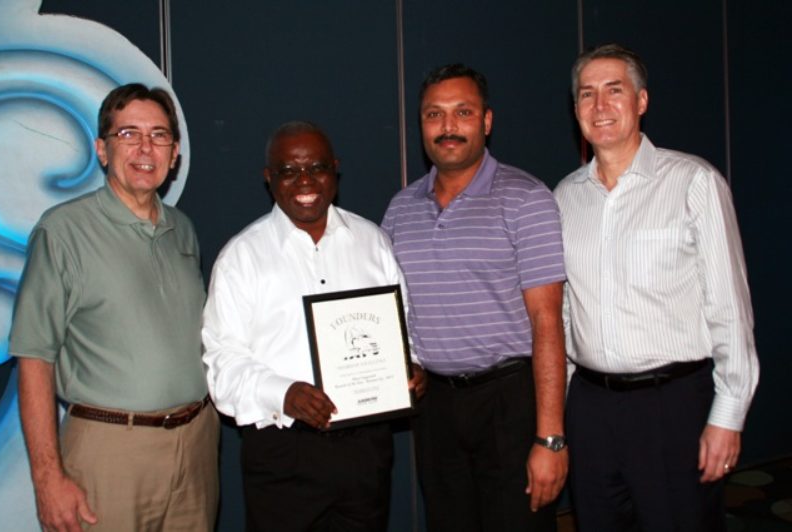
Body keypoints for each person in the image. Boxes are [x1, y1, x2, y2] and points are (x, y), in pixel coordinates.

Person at [554, 43, 759, 531]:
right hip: (590, 408)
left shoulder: (694, 182)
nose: (600, 106)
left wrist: (727, 416)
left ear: (641, 101)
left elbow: (729, 308)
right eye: (587, 94)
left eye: (614, 90)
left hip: (672, 407)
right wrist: (559, 413)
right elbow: (564, 315)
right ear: (576, 108)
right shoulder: (563, 198)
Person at [9, 83, 219, 532]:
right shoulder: (63, 232)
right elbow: (34, 358)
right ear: (102, 150)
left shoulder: (183, 230)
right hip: (110, 454)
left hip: (196, 447)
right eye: (128, 134)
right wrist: (47, 479)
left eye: (159, 135)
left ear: (175, 153)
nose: (145, 148)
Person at [202, 121, 425, 532]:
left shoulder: (372, 242)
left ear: (335, 169)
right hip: (284, 453)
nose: (305, 180)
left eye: (317, 167)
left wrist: (408, 366)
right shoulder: (242, 256)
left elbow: (402, 327)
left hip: (365, 450)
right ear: (269, 178)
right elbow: (222, 363)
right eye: (288, 170)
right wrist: (283, 393)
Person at [382, 64, 568, 531]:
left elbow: (548, 323)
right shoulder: (400, 210)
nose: (447, 127)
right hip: (435, 408)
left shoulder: (527, 199)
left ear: (486, 121)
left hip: (509, 403)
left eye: (462, 112)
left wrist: (550, 438)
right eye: (434, 114)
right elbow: (393, 313)